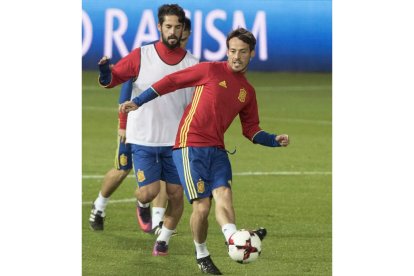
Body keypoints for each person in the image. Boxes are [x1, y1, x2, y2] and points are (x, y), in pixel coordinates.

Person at [120, 27, 290, 275]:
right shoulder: (211, 70)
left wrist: (274, 139)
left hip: (217, 149)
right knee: (202, 207)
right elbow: (172, 81)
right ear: (227, 51)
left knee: (224, 196)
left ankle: (233, 239)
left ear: (252, 54)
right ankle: (202, 255)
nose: (236, 56)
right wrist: (139, 100)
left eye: (242, 52)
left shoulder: (247, 92)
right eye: (232, 51)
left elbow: (251, 130)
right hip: (190, 145)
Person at [97, 4, 199, 256]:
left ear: (183, 28)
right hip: (143, 136)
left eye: (177, 26)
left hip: (175, 141)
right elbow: (112, 80)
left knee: (176, 195)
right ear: (159, 27)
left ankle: (163, 240)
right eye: (168, 26)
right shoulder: (141, 55)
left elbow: (198, 103)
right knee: (149, 191)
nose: (173, 31)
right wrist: (103, 72)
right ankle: (142, 203)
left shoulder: (193, 63)